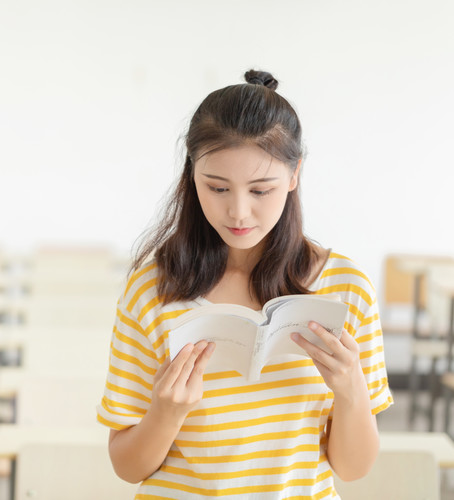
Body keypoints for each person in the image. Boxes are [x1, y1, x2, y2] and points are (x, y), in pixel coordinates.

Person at [97, 70, 393, 499]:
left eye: (260, 190)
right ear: (191, 173)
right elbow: (127, 467)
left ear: (294, 175)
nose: (238, 212)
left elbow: (353, 468)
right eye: (216, 187)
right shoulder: (152, 289)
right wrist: (165, 412)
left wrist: (350, 392)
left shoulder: (345, 289)